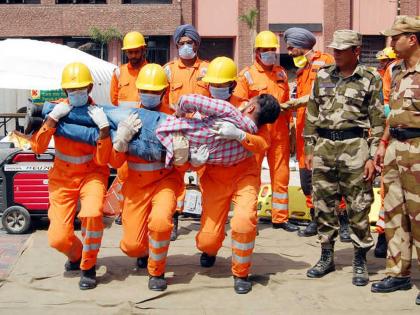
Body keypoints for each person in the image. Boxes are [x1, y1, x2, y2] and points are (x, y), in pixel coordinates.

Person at [304, 30, 385, 286]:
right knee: (323, 204)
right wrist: (309, 148)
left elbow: (378, 121)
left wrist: (373, 156)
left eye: (342, 49)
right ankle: (326, 255)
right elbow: (312, 113)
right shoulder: (323, 75)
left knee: (358, 205)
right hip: (324, 147)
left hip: (355, 147)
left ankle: (360, 260)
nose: (336, 53)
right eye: (334, 48)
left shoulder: (370, 78)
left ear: (356, 51)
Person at [194, 56, 274, 294]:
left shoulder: (250, 107)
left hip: (243, 175)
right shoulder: (200, 107)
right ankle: (209, 250)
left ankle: (241, 272)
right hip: (214, 176)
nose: (217, 89)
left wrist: (240, 135)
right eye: (213, 85)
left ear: (231, 85)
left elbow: (263, 143)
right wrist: (193, 160)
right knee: (207, 240)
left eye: (222, 85)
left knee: (243, 222)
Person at [30, 62, 112, 290]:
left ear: (90, 88)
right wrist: (51, 120)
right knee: (57, 238)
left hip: (92, 174)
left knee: (93, 213)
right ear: (64, 90)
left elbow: (105, 159)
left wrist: (104, 130)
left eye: (80, 89)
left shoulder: (99, 114)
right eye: (71, 90)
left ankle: (88, 266)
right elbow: (37, 148)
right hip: (62, 178)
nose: (76, 94)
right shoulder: (56, 110)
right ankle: (76, 255)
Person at [370, 15, 420, 306]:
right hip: (395, 149)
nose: (390, 43)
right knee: (394, 213)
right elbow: (393, 111)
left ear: (412, 38)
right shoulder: (397, 70)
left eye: (395, 38)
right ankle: (398, 273)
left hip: (417, 148)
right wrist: (382, 144)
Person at [234, 30, 299, 232]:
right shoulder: (246, 75)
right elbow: (240, 103)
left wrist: (291, 128)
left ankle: (280, 218)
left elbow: (287, 101)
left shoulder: (281, 73)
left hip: (279, 132)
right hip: (257, 132)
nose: (270, 53)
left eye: (273, 49)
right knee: (251, 174)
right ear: (257, 52)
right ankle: (248, 215)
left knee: (281, 175)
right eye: (266, 50)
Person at [282, 27, 338, 238]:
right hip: (305, 130)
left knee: (331, 177)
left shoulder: (326, 61)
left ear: (301, 46)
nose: (289, 52)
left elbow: (326, 92)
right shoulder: (301, 69)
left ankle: (340, 221)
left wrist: (294, 103)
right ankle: (314, 217)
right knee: (307, 179)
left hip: (325, 130)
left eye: (291, 48)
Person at [163, 24, 210, 240]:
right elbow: (162, 101)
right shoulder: (168, 70)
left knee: (206, 175)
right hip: (179, 130)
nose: (185, 47)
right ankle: (173, 219)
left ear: (197, 44)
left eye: (189, 43)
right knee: (175, 175)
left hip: (202, 130)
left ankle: (208, 222)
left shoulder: (207, 69)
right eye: (181, 44)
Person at [109, 30, 148, 225]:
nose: (132, 55)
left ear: (143, 49)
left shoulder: (153, 71)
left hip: (145, 130)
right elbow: (114, 102)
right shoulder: (118, 72)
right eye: (129, 52)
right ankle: (122, 211)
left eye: (136, 51)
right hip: (124, 130)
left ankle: (145, 210)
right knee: (123, 174)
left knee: (145, 172)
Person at [373, 46, 397, 258]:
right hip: (396, 138)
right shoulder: (393, 70)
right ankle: (383, 236)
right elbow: (386, 100)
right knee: (387, 190)